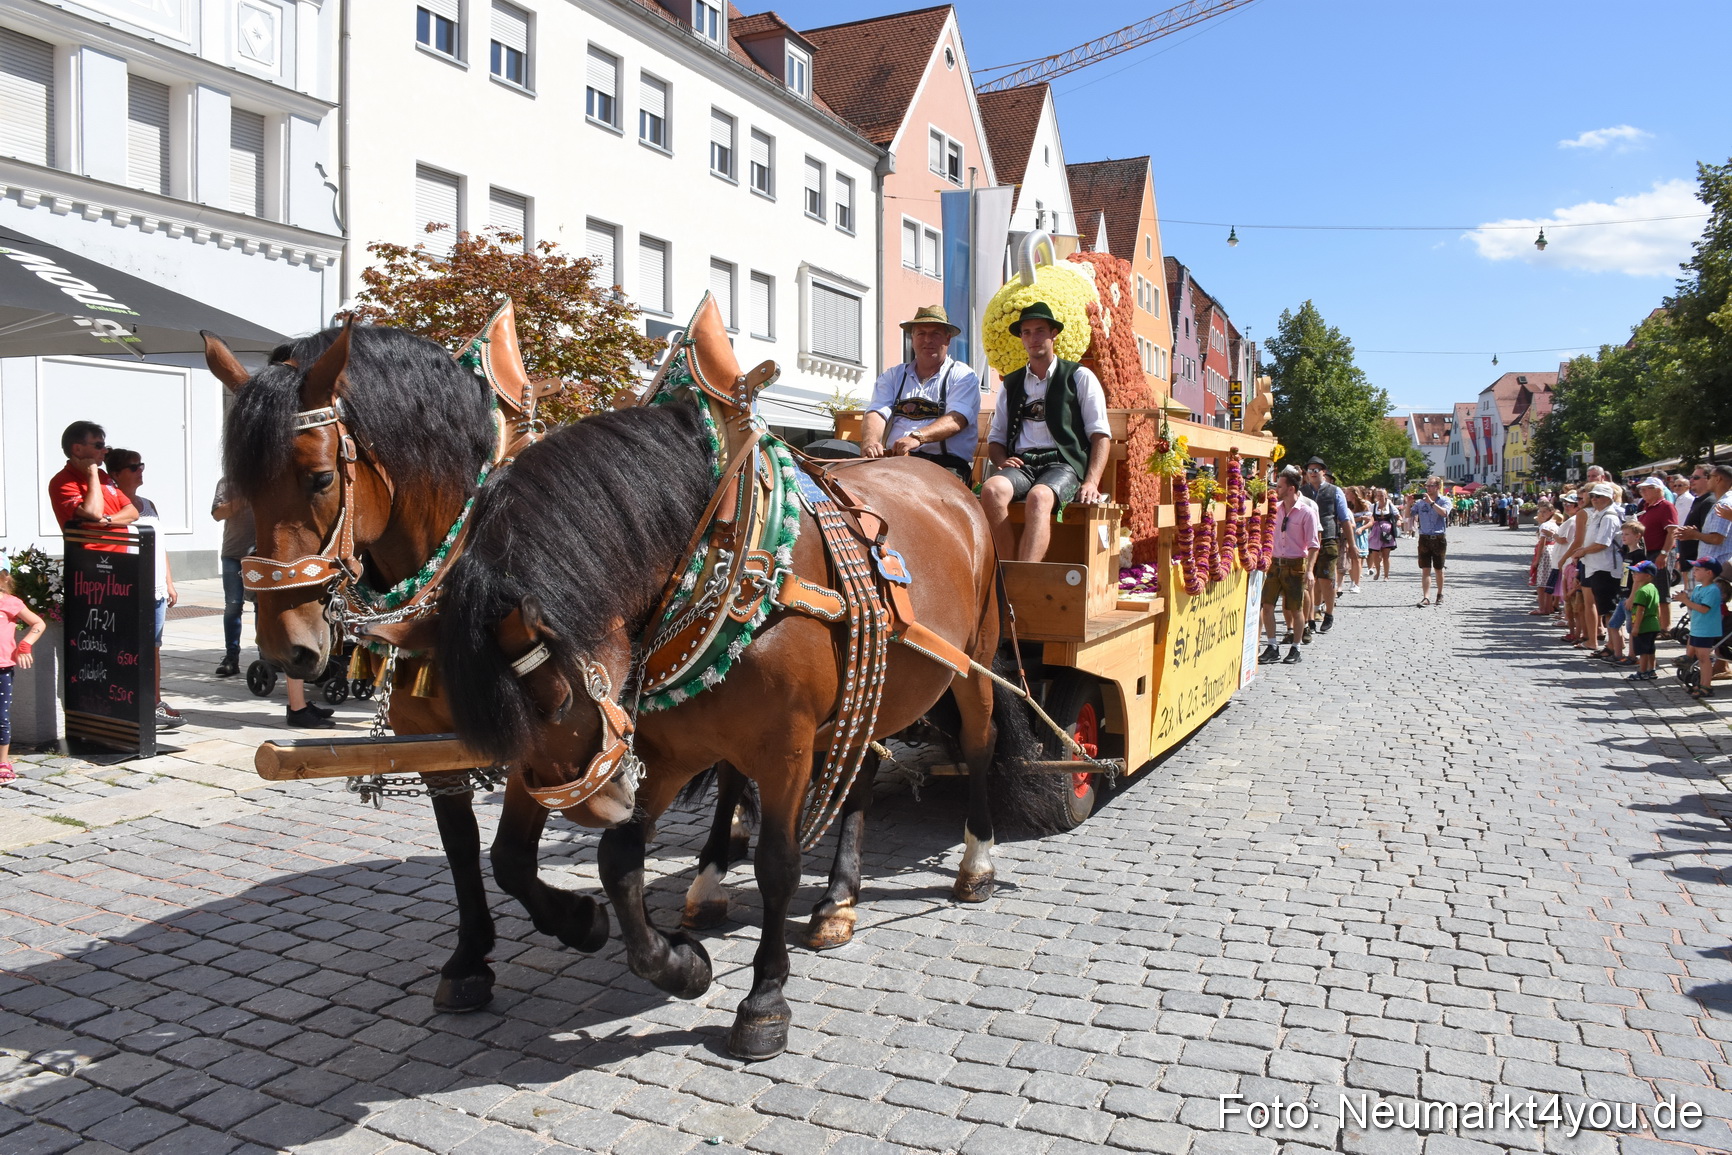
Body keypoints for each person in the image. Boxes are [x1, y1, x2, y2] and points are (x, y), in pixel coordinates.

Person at [980, 302, 1112, 563]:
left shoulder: (1079, 376)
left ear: (1054, 334)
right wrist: (1000, 460)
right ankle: (1006, 572)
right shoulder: (1011, 383)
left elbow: (1100, 435)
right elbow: (996, 438)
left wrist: (1091, 481)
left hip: (1063, 465)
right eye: (1026, 332)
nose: (1033, 338)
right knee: (991, 490)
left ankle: (1026, 573)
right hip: (1023, 464)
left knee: (1039, 497)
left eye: (1040, 330)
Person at [106, 450, 184, 731]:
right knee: (130, 648)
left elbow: (159, 545)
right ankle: (129, 702)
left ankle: (155, 702)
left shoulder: (148, 504)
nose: (140, 470)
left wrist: (169, 582)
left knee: (153, 648)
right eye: (132, 467)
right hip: (130, 588)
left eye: (141, 465)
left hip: (156, 589)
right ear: (115, 473)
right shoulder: (115, 507)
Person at [860, 305, 981, 483]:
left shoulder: (963, 376)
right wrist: (870, 442)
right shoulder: (893, 376)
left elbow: (957, 419)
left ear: (948, 339)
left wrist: (917, 437)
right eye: (921, 333)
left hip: (944, 465)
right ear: (912, 338)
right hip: (895, 461)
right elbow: (877, 412)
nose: (927, 340)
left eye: (935, 334)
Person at [1258, 467, 1318, 666]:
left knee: (1295, 609)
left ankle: (1296, 647)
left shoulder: (1306, 512)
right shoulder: (1275, 509)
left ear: (1291, 489)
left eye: (1280, 486)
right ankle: (1272, 646)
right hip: (1275, 564)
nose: (1276, 489)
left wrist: (1309, 570)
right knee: (1267, 606)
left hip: (1295, 565)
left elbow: (1313, 544)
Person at [48, 421, 137, 552]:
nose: (105, 451)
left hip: (122, 556)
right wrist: (91, 473)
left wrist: (107, 520)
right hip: (90, 561)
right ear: (77, 449)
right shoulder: (62, 481)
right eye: (98, 446)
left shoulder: (102, 475)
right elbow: (94, 513)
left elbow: (132, 513)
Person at [0, 571, 46, 782]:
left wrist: (25, 645)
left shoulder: (11, 603)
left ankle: (3, 761)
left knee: (1, 717)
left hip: (2, 668)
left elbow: (38, 623)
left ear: (5, 579)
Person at [1566, 482, 1621, 654]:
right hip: (1594, 566)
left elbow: (1602, 544)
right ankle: (1611, 645)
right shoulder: (1598, 514)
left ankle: (1615, 647)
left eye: (1599, 496)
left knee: (1609, 610)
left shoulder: (1609, 516)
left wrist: (1582, 551)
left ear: (1609, 498)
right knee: (1605, 609)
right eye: (1593, 496)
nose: (1595, 499)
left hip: (1605, 567)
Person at [1300, 458, 1350, 634]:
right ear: (1306, 473)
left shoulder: (1334, 491)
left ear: (1323, 472)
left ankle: (1329, 613)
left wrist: (1352, 544)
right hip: (1306, 540)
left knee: (1326, 579)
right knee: (1309, 580)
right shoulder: (1301, 492)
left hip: (1328, 538)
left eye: (1317, 469)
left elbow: (1344, 519)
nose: (1313, 472)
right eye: (1310, 469)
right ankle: (1310, 617)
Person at [211, 478, 252, 678]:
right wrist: (242, 499)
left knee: (264, 605)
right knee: (233, 606)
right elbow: (218, 514)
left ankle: (267, 657)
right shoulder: (228, 482)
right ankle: (231, 657)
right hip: (233, 554)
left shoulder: (269, 479)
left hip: (262, 555)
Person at [1677, 558, 1726, 700]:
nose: (1694, 572)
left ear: (1709, 572)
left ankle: (1706, 686)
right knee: (1698, 657)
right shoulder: (1698, 588)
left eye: (1698, 569)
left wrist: (1686, 601)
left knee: (1704, 659)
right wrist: (1685, 598)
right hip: (1697, 628)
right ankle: (1699, 682)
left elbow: (1704, 609)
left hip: (1707, 629)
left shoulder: (1712, 590)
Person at [1634, 476, 1678, 631]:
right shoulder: (1647, 507)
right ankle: (1656, 624)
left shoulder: (1665, 506)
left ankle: (1665, 627)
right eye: (1642, 489)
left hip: (1659, 552)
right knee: (1652, 590)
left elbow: (1672, 531)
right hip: (1650, 552)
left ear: (1659, 490)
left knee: (1662, 590)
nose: (1643, 491)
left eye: (1647, 488)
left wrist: (1664, 553)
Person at [1409, 476, 1451, 606]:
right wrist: (1408, 503)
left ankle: (1439, 594)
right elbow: (1408, 515)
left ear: (1438, 487)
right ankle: (1426, 597)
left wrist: (1431, 503)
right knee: (1425, 569)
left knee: (1438, 569)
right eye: (1427, 486)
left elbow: (1444, 513)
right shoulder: (1420, 503)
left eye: (1431, 485)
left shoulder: (1444, 500)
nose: (1428, 488)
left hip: (1438, 538)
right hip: (1424, 538)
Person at [1626, 561, 1662, 682]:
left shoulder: (1641, 591)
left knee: (1643, 650)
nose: (1634, 574)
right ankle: (1652, 669)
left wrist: (1636, 627)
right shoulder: (1653, 588)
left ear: (1648, 575)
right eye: (1633, 572)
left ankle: (1642, 671)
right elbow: (1658, 607)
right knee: (1651, 648)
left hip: (1644, 625)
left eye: (1637, 572)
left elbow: (1640, 610)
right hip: (1653, 623)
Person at [1368, 488, 1397, 580]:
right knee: (1375, 554)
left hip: (1387, 532)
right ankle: (1377, 572)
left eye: (1382, 495)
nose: (1380, 497)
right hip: (1376, 531)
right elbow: (1370, 517)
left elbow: (1398, 516)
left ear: (1386, 496)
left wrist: (1399, 521)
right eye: (1378, 495)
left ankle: (1386, 575)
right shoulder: (1374, 506)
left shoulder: (1390, 506)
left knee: (1386, 554)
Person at [1346, 486, 1370, 594]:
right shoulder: (1345, 505)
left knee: (1357, 558)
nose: (1346, 495)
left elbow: (1370, 521)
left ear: (1354, 494)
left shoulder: (1364, 505)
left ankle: (1357, 583)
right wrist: (1360, 518)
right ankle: (1352, 580)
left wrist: (1362, 527)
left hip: (1359, 533)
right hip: (1349, 532)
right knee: (1350, 559)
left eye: (1347, 493)